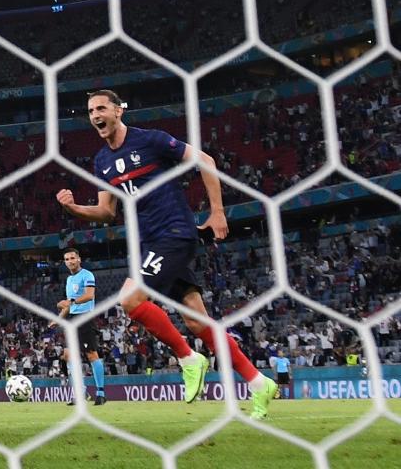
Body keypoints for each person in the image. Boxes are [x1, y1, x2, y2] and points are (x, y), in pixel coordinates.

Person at [55, 90, 277, 419]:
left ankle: (189, 359)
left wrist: (217, 212)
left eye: (102, 108)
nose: (95, 114)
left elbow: (207, 161)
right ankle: (259, 384)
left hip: (174, 233)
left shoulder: (152, 141)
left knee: (130, 300)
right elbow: (105, 212)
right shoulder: (101, 162)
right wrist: (73, 208)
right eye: (90, 110)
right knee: (196, 321)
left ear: (119, 111)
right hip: (149, 244)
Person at [48, 248, 106, 406]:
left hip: (85, 317)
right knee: (68, 355)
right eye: (67, 259)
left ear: (79, 259)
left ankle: (100, 392)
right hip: (72, 320)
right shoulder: (69, 280)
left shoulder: (87, 275)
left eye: (73, 258)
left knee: (91, 355)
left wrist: (71, 302)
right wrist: (58, 319)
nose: (70, 261)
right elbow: (68, 305)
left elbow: (89, 295)